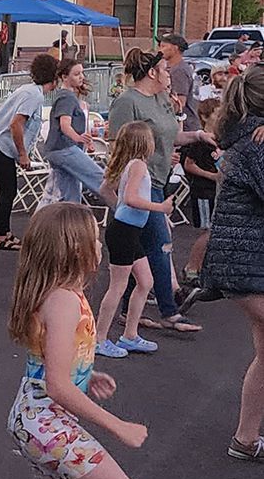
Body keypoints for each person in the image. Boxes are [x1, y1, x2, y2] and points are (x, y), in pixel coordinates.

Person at [7, 202, 191, 479]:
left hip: (34, 420)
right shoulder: (64, 301)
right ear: (75, 247)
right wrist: (117, 425)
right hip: (48, 423)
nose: (100, 242)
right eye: (94, 236)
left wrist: (87, 376)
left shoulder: (60, 295)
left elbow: (51, 368)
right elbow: (55, 385)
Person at [108, 49, 209, 332]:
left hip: (160, 180)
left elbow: (172, 136)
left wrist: (199, 135)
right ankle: (169, 309)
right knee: (160, 244)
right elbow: (118, 144)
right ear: (152, 73)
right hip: (142, 181)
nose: (169, 74)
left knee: (141, 248)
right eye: (165, 69)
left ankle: (130, 310)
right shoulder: (127, 102)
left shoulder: (161, 100)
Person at [197, 65, 264, 461]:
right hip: (246, 267)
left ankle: (245, 438)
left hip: (244, 265)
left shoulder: (246, 138)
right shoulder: (256, 146)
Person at [94, 122, 175, 359]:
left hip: (127, 229)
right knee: (118, 286)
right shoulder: (138, 165)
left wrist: (124, 210)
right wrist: (159, 208)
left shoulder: (127, 165)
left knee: (145, 281)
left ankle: (129, 335)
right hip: (124, 232)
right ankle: (99, 338)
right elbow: (130, 198)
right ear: (145, 143)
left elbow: (106, 190)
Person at [0, 54, 58, 251]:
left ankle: (4, 233)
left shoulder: (29, 90)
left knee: (8, 189)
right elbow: (16, 124)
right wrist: (23, 154)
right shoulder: (34, 95)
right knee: (8, 190)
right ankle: (0, 236)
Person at [43, 59, 107, 205]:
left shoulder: (64, 96)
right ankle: (124, 212)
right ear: (65, 77)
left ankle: (68, 221)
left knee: (69, 192)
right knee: (99, 180)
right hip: (64, 148)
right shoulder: (67, 97)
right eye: (77, 74)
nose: (82, 77)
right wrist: (78, 138)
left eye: (82, 73)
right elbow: (65, 125)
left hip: (55, 150)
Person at [180, 99, 221, 290]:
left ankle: (205, 268)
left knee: (214, 231)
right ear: (205, 116)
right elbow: (188, 164)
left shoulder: (220, 138)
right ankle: (192, 267)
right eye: (216, 112)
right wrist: (211, 176)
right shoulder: (200, 141)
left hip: (215, 191)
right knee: (208, 231)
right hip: (203, 191)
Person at [159, 34, 199, 131]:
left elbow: (179, 103)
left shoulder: (179, 71)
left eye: (163, 46)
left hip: (185, 126)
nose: (160, 50)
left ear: (175, 48)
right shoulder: (182, 67)